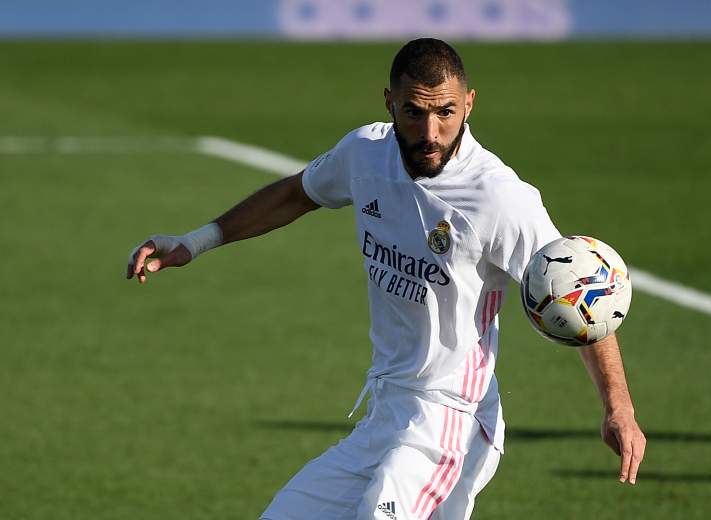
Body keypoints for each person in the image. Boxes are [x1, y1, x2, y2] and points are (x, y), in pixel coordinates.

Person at [127, 38, 646, 520]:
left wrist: (617, 407)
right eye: (413, 112)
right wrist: (194, 242)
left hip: (452, 424)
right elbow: (294, 194)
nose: (430, 132)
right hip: (386, 415)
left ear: (468, 103)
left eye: (445, 113)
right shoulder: (365, 155)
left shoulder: (500, 198)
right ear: (389, 103)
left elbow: (580, 297)